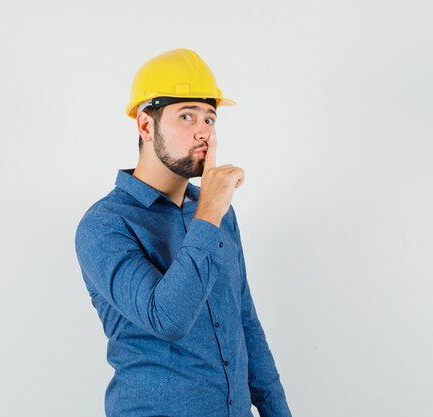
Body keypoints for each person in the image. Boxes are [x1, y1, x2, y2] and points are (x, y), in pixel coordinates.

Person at [74, 48, 292, 417]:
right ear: (145, 125)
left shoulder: (216, 210)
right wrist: (210, 212)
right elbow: (167, 319)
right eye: (186, 116)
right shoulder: (105, 225)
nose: (203, 131)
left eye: (210, 118)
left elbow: (245, 323)